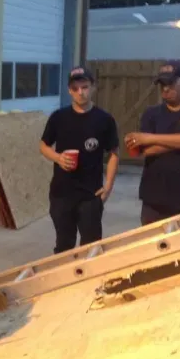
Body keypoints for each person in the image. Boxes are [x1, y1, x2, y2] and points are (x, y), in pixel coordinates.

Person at [124, 60, 180, 225]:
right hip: (154, 201)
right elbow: (147, 150)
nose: (165, 88)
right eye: (162, 84)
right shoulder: (151, 113)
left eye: (171, 83)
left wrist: (151, 137)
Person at [39, 66, 119, 253]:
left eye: (84, 87)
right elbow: (43, 146)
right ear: (69, 90)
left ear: (93, 87)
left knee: (91, 247)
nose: (80, 92)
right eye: (75, 89)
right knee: (64, 245)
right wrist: (58, 158)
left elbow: (114, 153)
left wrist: (108, 186)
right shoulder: (59, 118)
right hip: (61, 194)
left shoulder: (104, 120)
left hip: (91, 195)